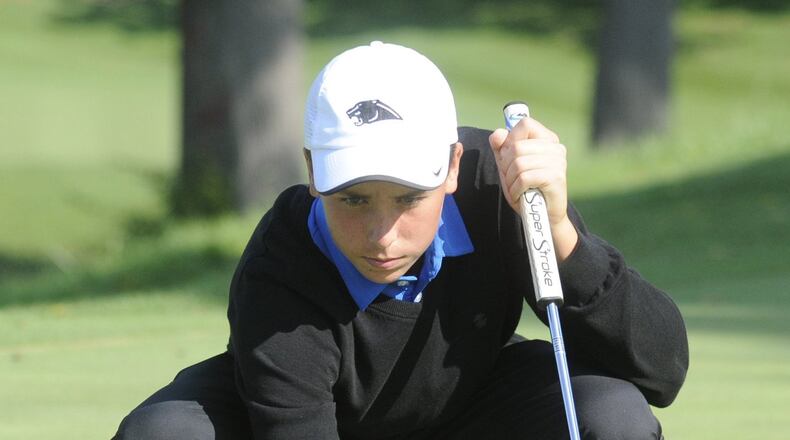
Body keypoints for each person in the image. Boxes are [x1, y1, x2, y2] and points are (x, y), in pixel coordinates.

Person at [113, 41, 688, 440]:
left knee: (611, 417)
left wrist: (560, 233)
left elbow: (661, 369)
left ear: (454, 166)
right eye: (354, 199)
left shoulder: (502, 189)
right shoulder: (280, 268)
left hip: (472, 405)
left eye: (410, 199)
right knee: (163, 433)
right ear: (313, 173)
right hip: (307, 421)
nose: (382, 235)